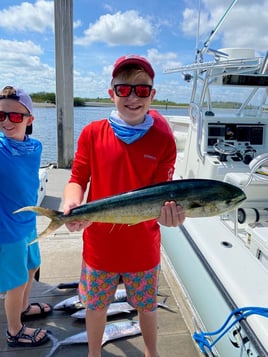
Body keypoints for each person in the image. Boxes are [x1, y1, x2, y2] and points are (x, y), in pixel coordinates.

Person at [63, 55, 185, 357]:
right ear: (111, 93)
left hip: (143, 247)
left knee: (147, 307)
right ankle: (94, 353)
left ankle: (151, 352)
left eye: (142, 90)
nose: (132, 97)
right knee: (95, 306)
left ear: (152, 95)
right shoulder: (92, 133)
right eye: (123, 90)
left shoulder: (163, 138)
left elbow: (162, 193)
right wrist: (71, 202)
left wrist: (171, 216)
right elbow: (77, 177)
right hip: (99, 246)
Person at [0, 86, 51, 347]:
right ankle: (14, 330)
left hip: (28, 221)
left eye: (16, 116)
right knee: (16, 280)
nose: (7, 121)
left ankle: (21, 308)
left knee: (33, 265)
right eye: (1, 116)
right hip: (6, 229)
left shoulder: (36, 147)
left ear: (30, 119)